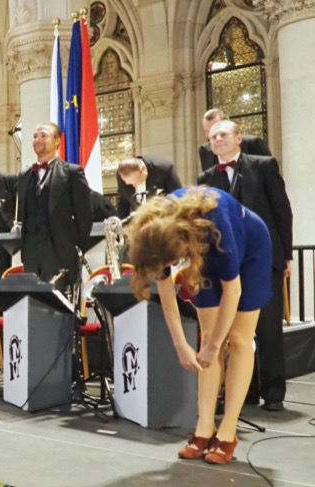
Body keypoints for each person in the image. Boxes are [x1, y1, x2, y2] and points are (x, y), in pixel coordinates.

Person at [127, 186, 272, 465]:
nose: (172, 266)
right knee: (206, 339)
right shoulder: (155, 234)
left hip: (250, 250)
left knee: (239, 339)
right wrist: (181, 345)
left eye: (173, 262)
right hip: (201, 251)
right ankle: (205, 427)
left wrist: (217, 344)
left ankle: (228, 430)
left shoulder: (217, 224)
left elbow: (233, 292)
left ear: (181, 245)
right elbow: (166, 290)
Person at [197, 119, 293, 411]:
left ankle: (273, 393)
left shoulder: (263, 166)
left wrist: (286, 255)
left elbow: (281, 210)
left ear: (238, 138)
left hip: (264, 258)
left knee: (268, 328)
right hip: (227, 263)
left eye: (223, 134)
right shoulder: (205, 178)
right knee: (234, 329)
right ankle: (244, 392)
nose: (217, 139)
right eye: (213, 136)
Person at [17, 122, 92, 292]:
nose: (38, 140)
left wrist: (73, 248)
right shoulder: (25, 175)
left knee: (60, 303)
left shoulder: (72, 172)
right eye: (35, 136)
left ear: (58, 140)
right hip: (31, 256)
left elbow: (85, 215)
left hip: (61, 254)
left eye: (43, 136)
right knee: (33, 303)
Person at [198, 108, 271, 172]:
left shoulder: (253, 143)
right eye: (208, 131)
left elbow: (268, 172)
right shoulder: (204, 150)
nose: (214, 136)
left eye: (217, 128)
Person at [116, 156, 182, 219]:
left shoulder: (164, 169)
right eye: (130, 184)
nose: (134, 185)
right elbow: (123, 204)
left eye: (137, 181)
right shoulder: (121, 176)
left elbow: (178, 198)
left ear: (144, 169)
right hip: (139, 221)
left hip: (164, 219)